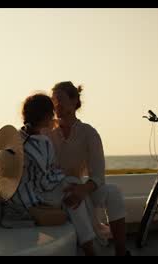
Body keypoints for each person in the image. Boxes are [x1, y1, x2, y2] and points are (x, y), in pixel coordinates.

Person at [0, 93, 97, 256]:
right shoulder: (41, 143)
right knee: (74, 193)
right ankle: (89, 247)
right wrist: (63, 180)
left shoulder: (17, 137)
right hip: (34, 197)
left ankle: (87, 244)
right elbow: (44, 181)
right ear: (46, 117)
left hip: (19, 195)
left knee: (73, 189)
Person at [44, 81, 129, 256]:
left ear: (74, 101)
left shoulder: (89, 133)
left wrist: (83, 189)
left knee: (113, 192)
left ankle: (121, 251)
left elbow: (98, 174)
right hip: (56, 188)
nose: (55, 104)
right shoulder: (47, 130)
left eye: (59, 99)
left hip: (81, 186)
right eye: (53, 100)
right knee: (72, 190)